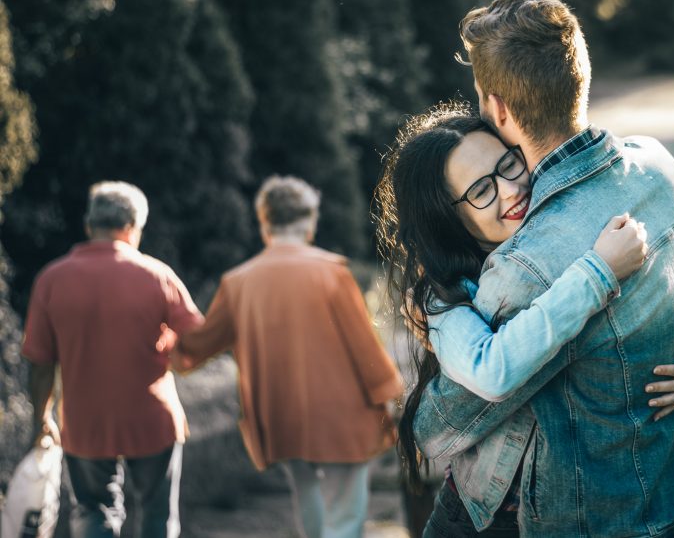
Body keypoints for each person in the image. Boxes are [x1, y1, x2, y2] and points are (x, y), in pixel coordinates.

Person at [407, 0, 674, 537]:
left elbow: (439, 428)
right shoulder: (660, 168)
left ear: (498, 109)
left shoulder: (523, 267)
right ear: (580, 75)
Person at [167, 176, 403, 538]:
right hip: (343, 413)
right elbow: (363, 346)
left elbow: (194, 349)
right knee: (345, 512)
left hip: (281, 417)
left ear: (265, 222)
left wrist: (156, 341)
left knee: (307, 496)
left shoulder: (238, 282)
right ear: (309, 221)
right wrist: (388, 394)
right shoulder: (332, 272)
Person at [21, 181, 203, 538]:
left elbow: (41, 363)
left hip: (85, 423)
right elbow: (197, 346)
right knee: (156, 515)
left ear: (89, 225)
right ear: (134, 228)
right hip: (152, 420)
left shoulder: (52, 279)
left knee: (92, 512)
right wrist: (171, 350)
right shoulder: (158, 275)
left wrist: (41, 417)